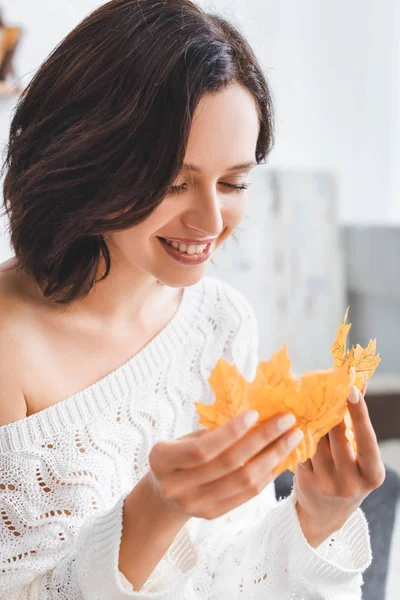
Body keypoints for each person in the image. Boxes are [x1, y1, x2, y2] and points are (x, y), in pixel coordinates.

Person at [0, 1, 385, 598]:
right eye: (173, 183)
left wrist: (317, 517)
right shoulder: (9, 347)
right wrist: (155, 510)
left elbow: (233, 574)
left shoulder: (221, 320)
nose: (210, 220)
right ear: (85, 160)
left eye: (233, 183)